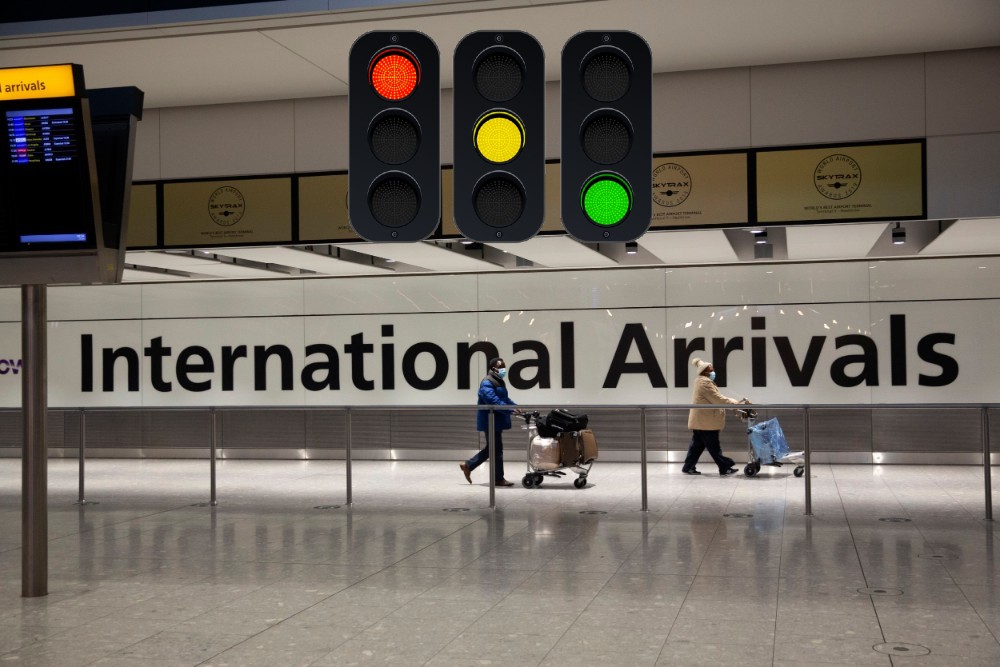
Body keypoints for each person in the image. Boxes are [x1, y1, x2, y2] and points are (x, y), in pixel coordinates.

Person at [684, 357, 747, 476]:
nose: (713, 371)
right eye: (711, 369)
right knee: (714, 446)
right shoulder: (704, 382)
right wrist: (735, 403)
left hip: (701, 420)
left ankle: (688, 467)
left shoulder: (701, 381)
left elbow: (715, 397)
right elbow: (717, 398)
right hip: (705, 421)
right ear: (706, 371)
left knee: (697, 446)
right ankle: (725, 466)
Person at [460, 357, 518, 487]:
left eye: (504, 367)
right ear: (493, 368)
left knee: (494, 448)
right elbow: (492, 400)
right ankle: (497, 478)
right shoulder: (487, 383)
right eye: (501, 367)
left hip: (496, 420)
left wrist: (516, 407)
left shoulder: (498, 381)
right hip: (490, 421)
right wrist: (510, 409)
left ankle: (468, 465)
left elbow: (504, 398)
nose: (504, 370)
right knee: (496, 449)